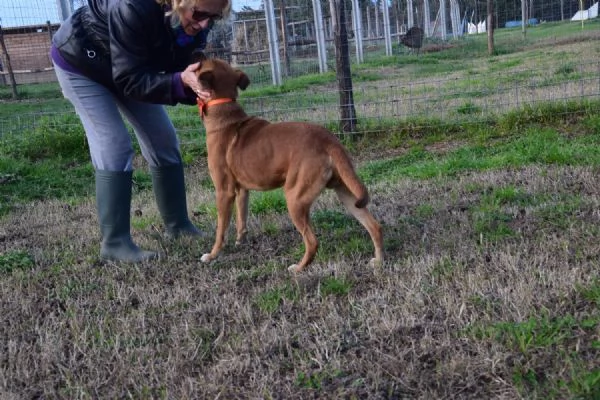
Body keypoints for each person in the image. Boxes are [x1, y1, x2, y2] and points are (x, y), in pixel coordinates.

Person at [50, 0, 231, 263]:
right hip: (82, 63)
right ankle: (115, 243)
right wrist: (179, 82)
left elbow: (178, 63)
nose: (204, 24)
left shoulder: (194, 23)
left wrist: (199, 79)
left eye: (212, 19)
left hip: (129, 68)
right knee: (114, 143)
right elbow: (131, 79)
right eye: (200, 14)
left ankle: (178, 226)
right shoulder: (132, 5)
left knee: (164, 139)